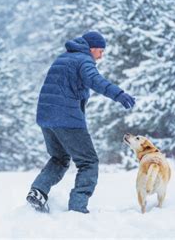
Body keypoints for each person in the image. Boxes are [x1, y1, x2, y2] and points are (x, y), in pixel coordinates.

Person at [26, 31, 136, 214]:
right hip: (67, 118)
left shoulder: (64, 58)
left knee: (59, 159)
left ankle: (38, 192)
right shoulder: (84, 60)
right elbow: (96, 80)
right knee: (89, 162)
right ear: (92, 48)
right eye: (100, 51)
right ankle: (77, 208)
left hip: (46, 117)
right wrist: (119, 94)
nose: (101, 56)